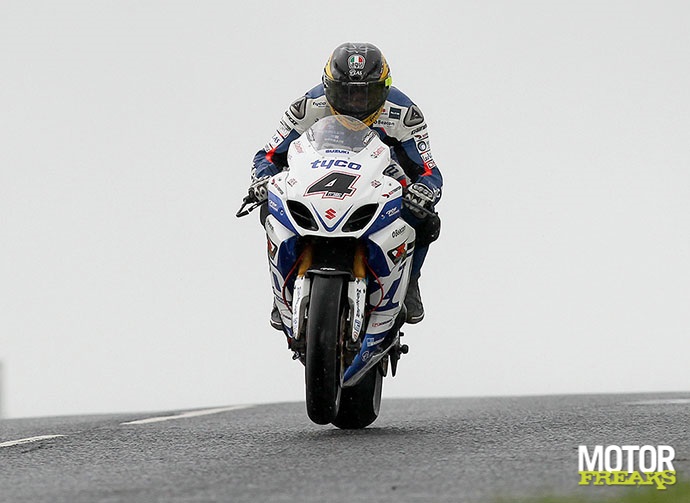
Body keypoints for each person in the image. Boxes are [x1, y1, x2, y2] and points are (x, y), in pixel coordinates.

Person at [251, 42, 442, 328]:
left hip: (378, 187)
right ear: (328, 87)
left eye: (365, 94)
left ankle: (410, 283)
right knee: (269, 206)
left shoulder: (404, 113)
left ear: (384, 90)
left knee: (426, 219)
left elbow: (428, 169)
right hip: (316, 183)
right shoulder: (307, 108)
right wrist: (262, 178)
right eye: (346, 93)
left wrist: (424, 190)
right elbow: (268, 154)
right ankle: (284, 287)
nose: (355, 104)